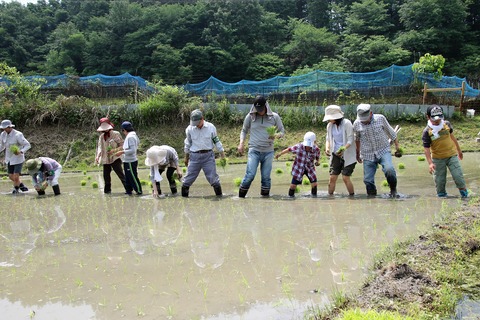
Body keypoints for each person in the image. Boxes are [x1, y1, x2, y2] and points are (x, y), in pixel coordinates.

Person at [237, 95, 285, 198]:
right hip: (254, 150)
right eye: (257, 109)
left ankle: (265, 200)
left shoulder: (274, 117)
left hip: (268, 151)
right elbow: (244, 130)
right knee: (250, 175)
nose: (260, 111)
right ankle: (240, 198)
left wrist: (276, 135)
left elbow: (282, 131)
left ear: (266, 106)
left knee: (266, 177)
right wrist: (241, 143)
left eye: (261, 109)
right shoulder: (250, 117)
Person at [353, 103, 401, 197]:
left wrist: (397, 147)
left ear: (370, 113)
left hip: (383, 150)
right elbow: (357, 139)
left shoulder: (380, 118)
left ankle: (393, 191)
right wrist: (357, 154)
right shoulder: (356, 123)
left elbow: (391, 133)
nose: (363, 122)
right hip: (367, 154)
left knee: (389, 170)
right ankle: (372, 198)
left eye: (365, 119)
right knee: (368, 180)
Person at [422, 105, 468, 198]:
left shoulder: (446, 124)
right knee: (440, 181)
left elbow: (453, 137)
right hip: (438, 159)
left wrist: (459, 150)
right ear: (428, 117)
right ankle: (442, 197)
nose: (437, 121)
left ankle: (465, 196)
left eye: (439, 119)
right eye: (434, 119)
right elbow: (426, 149)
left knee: (458, 176)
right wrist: (430, 163)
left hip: (452, 155)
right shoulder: (427, 131)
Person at [182, 109, 225, 197]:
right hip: (194, 157)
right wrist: (186, 157)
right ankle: (184, 200)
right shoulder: (189, 129)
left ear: (202, 119)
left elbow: (216, 140)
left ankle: (220, 199)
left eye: (198, 122)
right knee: (187, 180)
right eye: (194, 123)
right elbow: (188, 143)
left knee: (213, 179)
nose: (196, 125)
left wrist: (222, 155)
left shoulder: (211, 127)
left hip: (208, 156)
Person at [323, 105, 357, 196]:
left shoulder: (347, 123)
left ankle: (352, 197)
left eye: (330, 118)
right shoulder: (329, 126)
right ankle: (330, 197)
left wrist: (343, 149)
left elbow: (350, 140)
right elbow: (328, 139)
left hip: (348, 154)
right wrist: (327, 148)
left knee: (345, 177)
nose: (328, 120)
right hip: (335, 154)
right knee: (332, 178)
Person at [275, 131, 320, 197]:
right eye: (307, 145)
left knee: (314, 184)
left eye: (309, 145)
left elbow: (317, 158)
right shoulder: (299, 147)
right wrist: (280, 154)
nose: (308, 147)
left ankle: (314, 198)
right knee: (293, 186)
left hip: (310, 168)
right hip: (299, 168)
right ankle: (290, 198)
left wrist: (317, 162)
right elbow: (289, 149)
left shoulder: (316, 149)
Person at [94, 117, 127, 194]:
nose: (105, 130)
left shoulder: (116, 134)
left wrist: (114, 150)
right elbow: (99, 147)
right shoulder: (101, 137)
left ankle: (128, 190)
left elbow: (122, 145)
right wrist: (98, 156)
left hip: (115, 158)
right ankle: (107, 193)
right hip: (105, 159)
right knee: (106, 178)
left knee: (121, 175)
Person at [0, 119, 31, 194]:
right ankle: (22, 186)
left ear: (10, 127)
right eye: (3, 128)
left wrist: (21, 151)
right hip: (9, 158)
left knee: (16, 176)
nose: (4, 129)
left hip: (18, 158)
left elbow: (28, 145)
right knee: (11, 176)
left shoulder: (18, 135)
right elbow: (2, 146)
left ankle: (16, 190)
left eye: (5, 128)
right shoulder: (3, 135)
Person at [115, 121, 142, 195]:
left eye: (122, 131)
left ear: (124, 130)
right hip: (127, 160)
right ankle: (128, 191)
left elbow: (133, 150)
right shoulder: (133, 135)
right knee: (127, 177)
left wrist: (122, 152)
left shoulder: (130, 137)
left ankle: (139, 191)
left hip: (130, 161)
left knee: (133, 177)